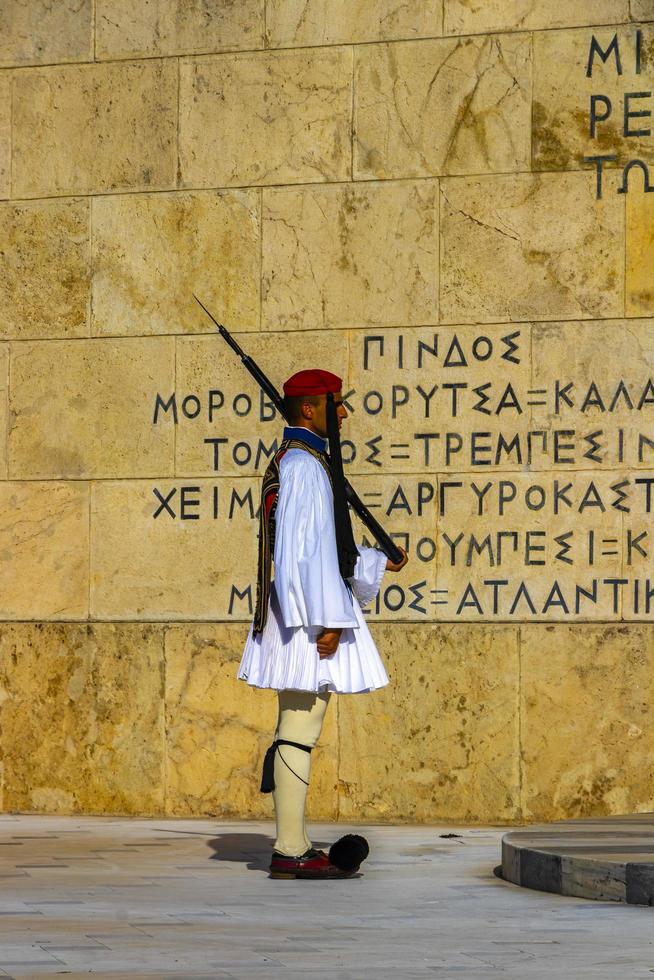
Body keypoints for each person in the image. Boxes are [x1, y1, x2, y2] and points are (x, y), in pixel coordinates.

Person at [237, 368, 408, 879]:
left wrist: (375, 561)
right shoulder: (306, 468)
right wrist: (329, 621)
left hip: (301, 611)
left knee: (299, 724)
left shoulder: (305, 461)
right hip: (307, 617)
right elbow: (301, 557)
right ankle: (290, 850)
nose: (345, 412)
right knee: (298, 726)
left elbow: (329, 550)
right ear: (310, 409)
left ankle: (297, 843)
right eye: (337, 403)